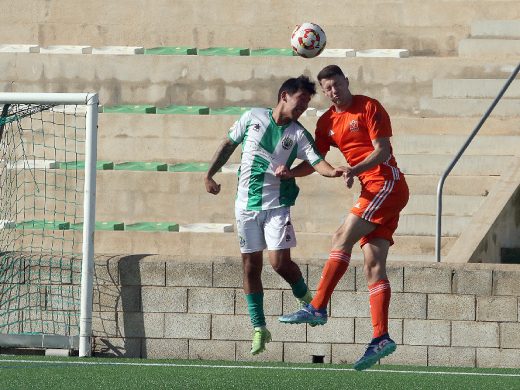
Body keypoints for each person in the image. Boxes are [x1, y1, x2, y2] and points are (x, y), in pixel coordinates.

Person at [278, 65, 409, 370]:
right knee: (373, 265)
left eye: (337, 84)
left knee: (341, 237)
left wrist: (355, 170)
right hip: (374, 189)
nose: (334, 91)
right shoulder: (326, 123)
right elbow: (315, 161)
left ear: (346, 82)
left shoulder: (369, 107)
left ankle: (318, 306)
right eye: (328, 88)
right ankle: (381, 337)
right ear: (324, 92)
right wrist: (289, 173)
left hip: (386, 183)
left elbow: (382, 150)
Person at [204, 75, 346, 355]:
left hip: (276, 205)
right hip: (245, 206)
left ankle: (308, 299)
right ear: (284, 96)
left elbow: (316, 162)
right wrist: (209, 173)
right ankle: (259, 328)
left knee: (279, 263)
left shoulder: (298, 134)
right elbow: (228, 144)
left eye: (306, 104)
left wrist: (334, 172)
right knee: (250, 267)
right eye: (300, 101)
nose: (302, 108)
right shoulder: (252, 117)